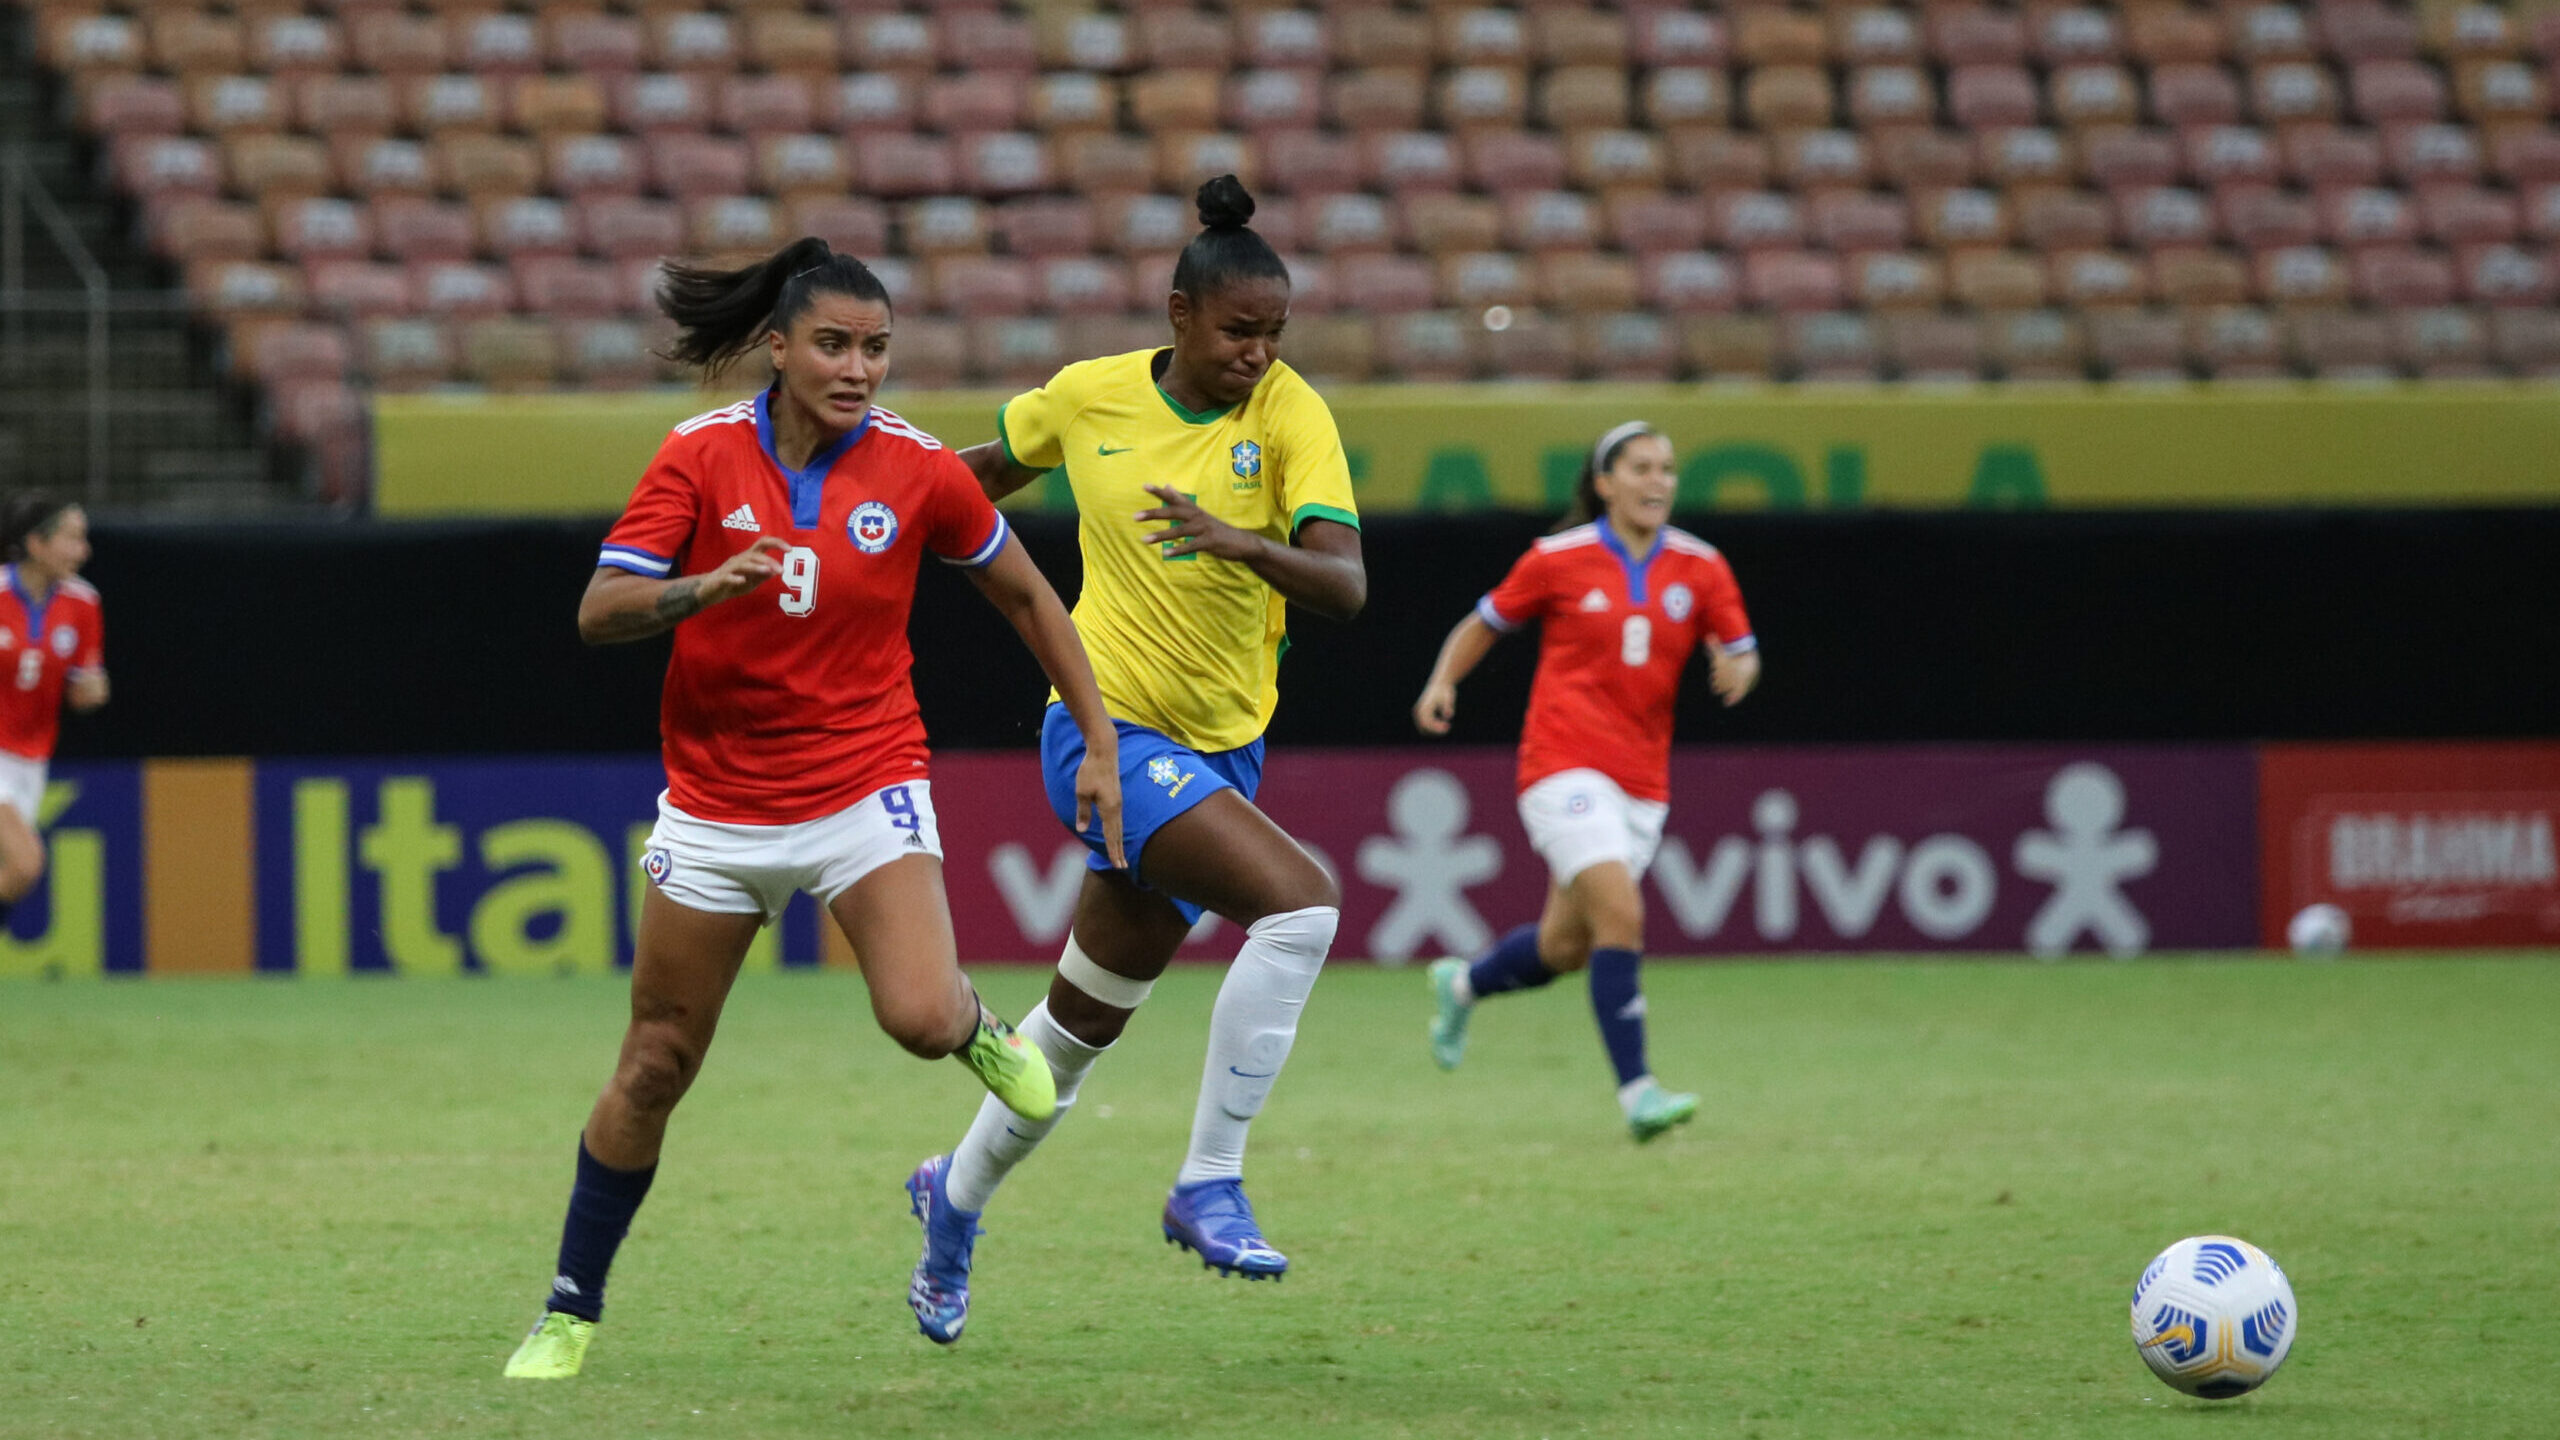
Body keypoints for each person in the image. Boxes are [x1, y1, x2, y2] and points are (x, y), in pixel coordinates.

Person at [504, 238, 1127, 1379]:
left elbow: (1031, 598)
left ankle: (979, 1029)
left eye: (877, 348)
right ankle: (569, 1308)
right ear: (778, 348)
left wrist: (1098, 739)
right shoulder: (696, 458)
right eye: (834, 345)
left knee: (922, 1023)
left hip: (861, 785)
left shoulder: (916, 467)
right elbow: (600, 611)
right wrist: (701, 587)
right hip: (715, 804)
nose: (858, 369)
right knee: (653, 1066)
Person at [903, 175, 1364, 1344]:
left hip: (1223, 753)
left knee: (1073, 1031)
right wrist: (851, 499)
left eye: (1274, 334)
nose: (1258, 354)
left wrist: (1237, 543)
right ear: (1177, 314)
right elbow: (968, 488)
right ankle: (1209, 1179)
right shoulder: (1089, 398)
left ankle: (948, 1203)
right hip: (1104, 734)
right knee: (1303, 909)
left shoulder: (1291, 415)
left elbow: (1346, 585)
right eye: (1237, 331)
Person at [1410, 422, 1760, 1142]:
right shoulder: (1557, 558)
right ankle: (1638, 1093)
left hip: (1642, 785)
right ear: (1604, 482)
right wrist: (1443, 681)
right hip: (1561, 766)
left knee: (1566, 947)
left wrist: (1738, 669)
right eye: (1640, 468)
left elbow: (1745, 651)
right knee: (1622, 914)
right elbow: (1484, 623)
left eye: (1667, 467)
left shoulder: (1702, 567)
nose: (1658, 480)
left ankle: (1463, 985)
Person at [0, 495, 107, 928]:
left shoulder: (84, 604)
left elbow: (83, 691)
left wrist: (94, 689)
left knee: (17, 878)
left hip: (32, 760)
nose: (83, 550)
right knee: (26, 863)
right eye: (72, 538)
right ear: (36, 544)